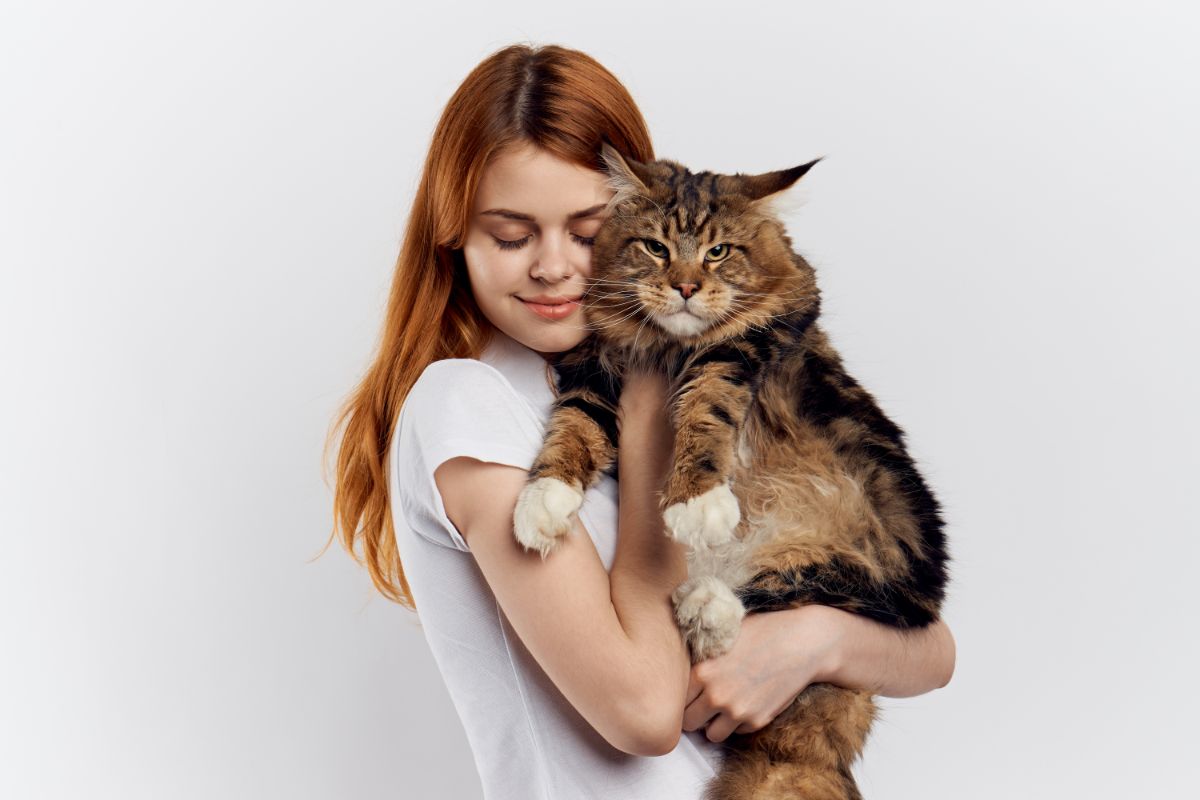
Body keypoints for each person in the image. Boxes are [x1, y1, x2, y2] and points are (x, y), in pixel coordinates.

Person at [325, 43, 956, 799]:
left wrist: (808, 641)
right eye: (512, 234)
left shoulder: (665, 375)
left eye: (588, 233)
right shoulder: (466, 405)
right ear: (455, 232)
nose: (554, 266)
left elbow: (933, 653)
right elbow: (647, 712)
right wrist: (655, 426)